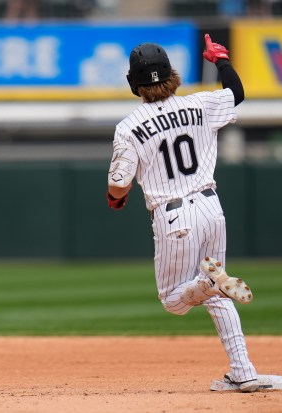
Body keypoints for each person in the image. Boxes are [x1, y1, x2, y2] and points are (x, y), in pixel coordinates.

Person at [106, 34, 259, 392]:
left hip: (174, 216)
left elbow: (118, 186)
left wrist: (116, 198)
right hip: (211, 205)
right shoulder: (201, 104)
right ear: (171, 74)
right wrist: (220, 59)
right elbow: (236, 93)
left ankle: (208, 283)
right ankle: (244, 371)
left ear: (134, 83)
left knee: (174, 301)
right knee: (217, 295)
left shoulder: (129, 126)